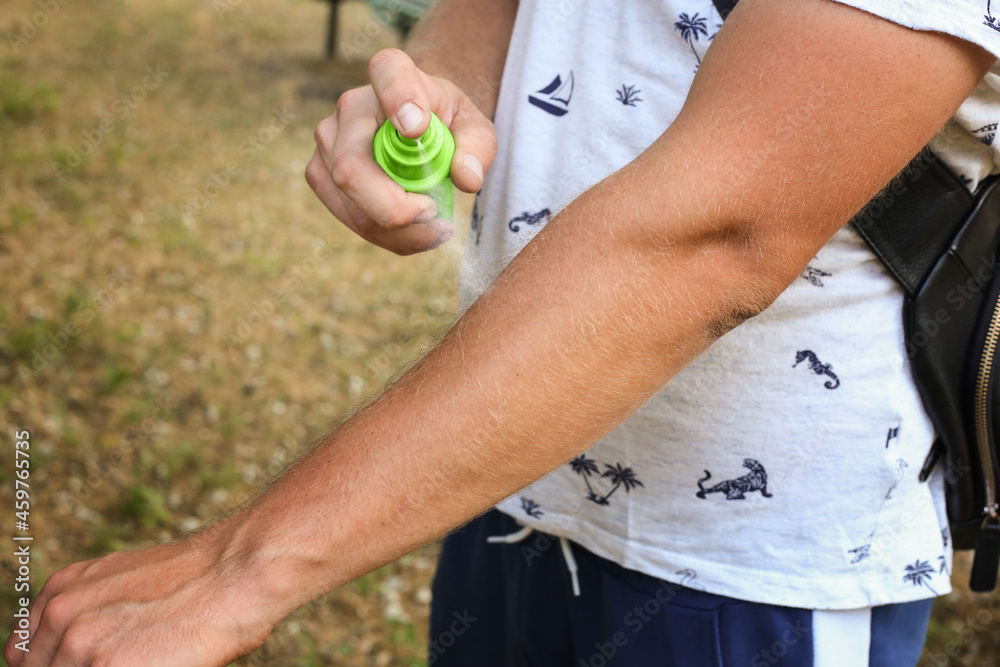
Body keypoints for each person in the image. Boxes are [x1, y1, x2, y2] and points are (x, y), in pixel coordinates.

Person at [6, 0, 1000, 665]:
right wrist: (436, 89)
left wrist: (243, 566)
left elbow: (717, 233)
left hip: (750, 559)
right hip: (504, 469)